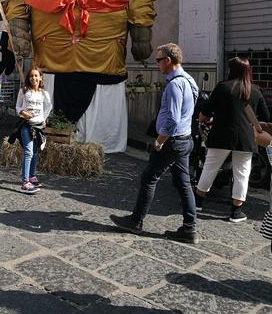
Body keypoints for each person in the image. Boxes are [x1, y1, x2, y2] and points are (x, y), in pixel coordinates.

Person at [111, 43, 200, 243]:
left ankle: (136, 222)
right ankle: (189, 228)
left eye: (159, 60)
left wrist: (160, 141)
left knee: (149, 178)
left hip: (172, 141)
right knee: (183, 184)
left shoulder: (175, 84)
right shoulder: (189, 80)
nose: (157, 64)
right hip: (184, 139)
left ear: (168, 60)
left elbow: (173, 120)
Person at [194, 57, 271, 222]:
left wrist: (204, 119)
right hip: (246, 138)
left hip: (221, 136)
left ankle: (197, 202)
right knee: (242, 174)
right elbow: (265, 117)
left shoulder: (223, 87)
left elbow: (205, 113)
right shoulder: (256, 90)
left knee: (210, 168)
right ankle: (236, 212)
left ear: (232, 70)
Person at [13, 66, 52, 194]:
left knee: (35, 152)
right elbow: (17, 107)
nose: (34, 78)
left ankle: (32, 176)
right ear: (28, 79)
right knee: (28, 151)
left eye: (36, 76)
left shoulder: (44, 94)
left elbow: (49, 106)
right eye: (31, 76)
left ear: (40, 78)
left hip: (38, 126)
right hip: (26, 125)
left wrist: (44, 118)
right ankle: (25, 182)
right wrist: (22, 112)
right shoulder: (23, 91)